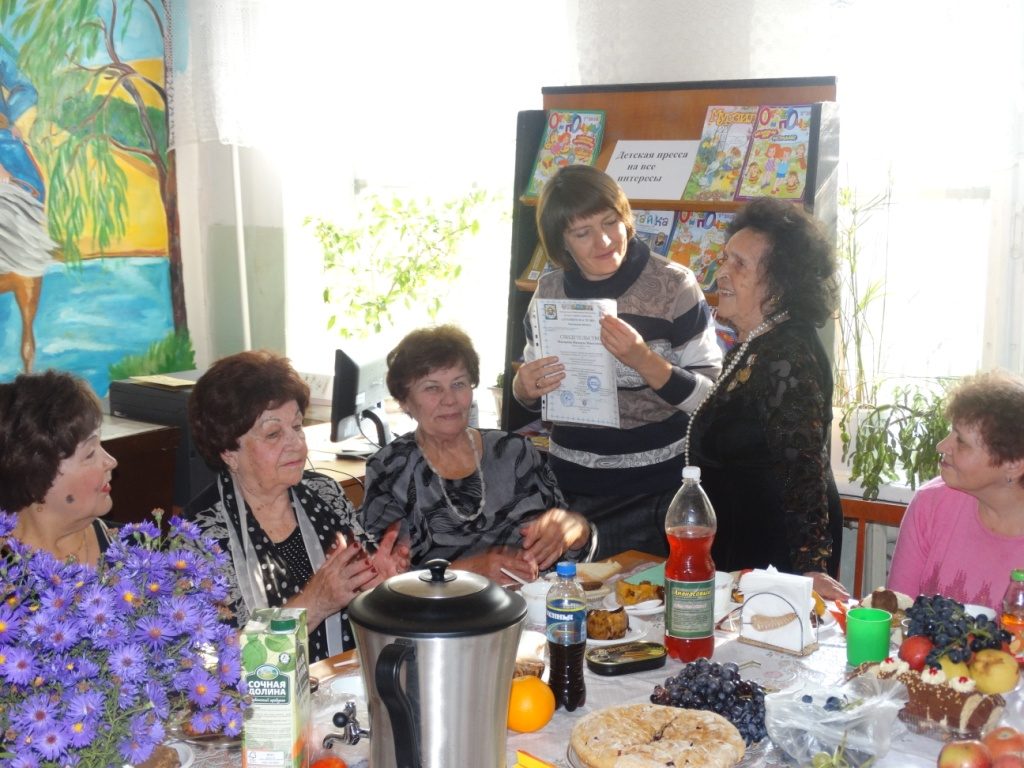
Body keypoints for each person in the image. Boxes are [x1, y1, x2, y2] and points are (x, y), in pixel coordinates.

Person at [512, 165, 722, 559]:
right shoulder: (549, 291)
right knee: (575, 594)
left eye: (611, 222)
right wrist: (524, 387)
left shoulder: (674, 284)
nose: (605, 240)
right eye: (582, 232)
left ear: (626, 218)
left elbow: (710, 400)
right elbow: (532, 396)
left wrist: (643, 360)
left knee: (648, 593)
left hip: (656, 490)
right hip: (571, 486)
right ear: (561, 242)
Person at [185, 350, 409, 661]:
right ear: (229, 453)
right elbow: (215, 659)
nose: (295, 443)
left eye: (297, 426)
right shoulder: (199, 536)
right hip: (266, 692)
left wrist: (383, 588)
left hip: (343, 678)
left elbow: (367, 597)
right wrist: (315, 603)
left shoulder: (325, 494)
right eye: (273, 434)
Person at [684, 197, 847, 600]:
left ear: (779, 283)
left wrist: (810, 567)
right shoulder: (756, 344)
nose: (722, 273)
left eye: (740, 264)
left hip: (776, 554)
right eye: (725, 259)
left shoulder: (786, 353)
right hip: (743, 543)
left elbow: (802, 466)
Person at [359, 325, 594, 583]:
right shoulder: (390, 469)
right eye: (432, 388)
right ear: (404, 401)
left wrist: (577, 531)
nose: (450, 399)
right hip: (446, 608)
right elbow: (383, 581)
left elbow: (575, 555)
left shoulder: (515, 452)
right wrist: (469, 572)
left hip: (537, 600)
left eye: (458, 384)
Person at [888, 371, 1024, 612]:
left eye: (961, 441)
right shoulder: (931, 504)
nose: (941, 446)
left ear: (1013, 463)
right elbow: (897, 616)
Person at [0, 370, 117, 564]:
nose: (111, 461)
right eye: (90, 453)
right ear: (34, 477)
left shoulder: (136, 551)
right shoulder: (7, 575)